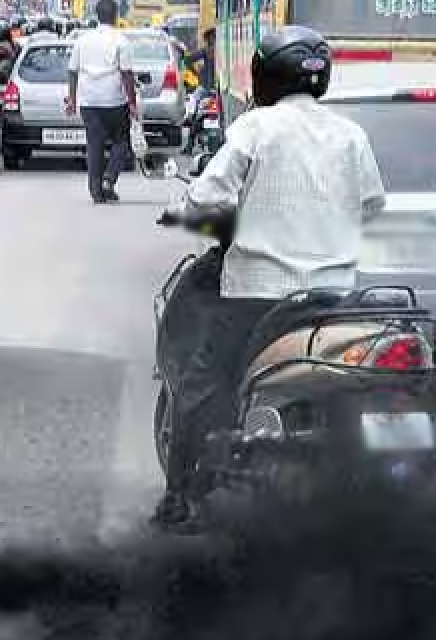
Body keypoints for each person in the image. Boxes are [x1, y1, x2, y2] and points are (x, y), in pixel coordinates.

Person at [152, 25, 387, 528]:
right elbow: (372, 202)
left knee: (202, 380)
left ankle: (180, 498)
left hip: (258, 295)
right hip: (336, 298)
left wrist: (190, 210)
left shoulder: (256, 128)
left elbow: (206, 198)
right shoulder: (351, 135)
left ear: (265, 76)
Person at [66, 0, 138, 204]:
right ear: (116, 15)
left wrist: (72, 99)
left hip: (89, 101)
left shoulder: (82, 40)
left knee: (94, 144)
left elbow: (72, 71)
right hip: (114, 101)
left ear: (97, 16)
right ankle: (109, 178)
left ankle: (96, 191)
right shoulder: (121, 41)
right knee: (121, 142)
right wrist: (132, 103)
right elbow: (127, 74)